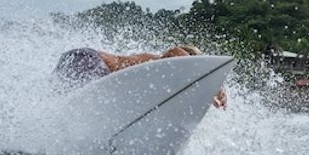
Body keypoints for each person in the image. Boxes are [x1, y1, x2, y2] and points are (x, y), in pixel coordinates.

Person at [53, 44, 228, 108]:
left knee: (61, 104)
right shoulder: (166, 60)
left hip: (77, 60)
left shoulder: (162, 82)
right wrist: (211, 85)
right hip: (88, 59)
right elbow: (176, 53)